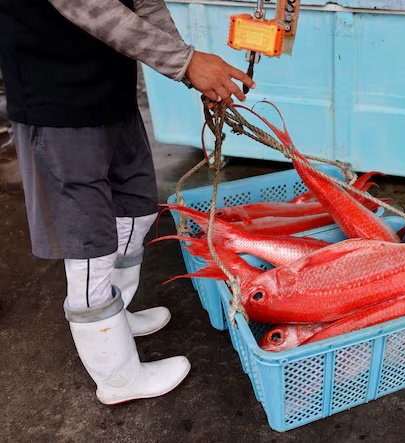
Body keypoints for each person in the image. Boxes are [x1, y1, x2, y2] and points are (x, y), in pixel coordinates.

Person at [0, 0, 255, 405]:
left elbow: (144, 2)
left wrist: (193, 74)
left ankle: (115, 318)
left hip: (110, 91)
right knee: (89, 245)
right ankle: (117, 378)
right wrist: (186, 62)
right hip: (55, 98)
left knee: (136, 210)